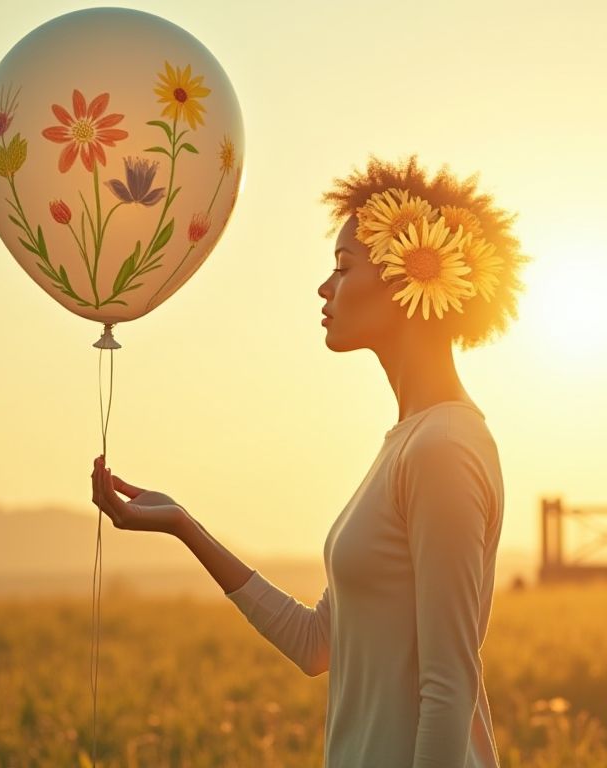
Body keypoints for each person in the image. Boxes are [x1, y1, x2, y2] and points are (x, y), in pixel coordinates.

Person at [91, 155, 530, 767]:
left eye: (343, 267)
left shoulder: (443, 449)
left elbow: (448, 687)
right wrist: (183, 525)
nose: (325, 288)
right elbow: (316, 644)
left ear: (410, 276)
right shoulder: (410, 443)